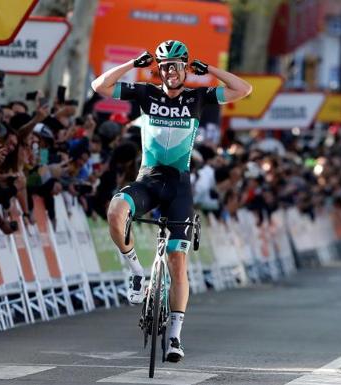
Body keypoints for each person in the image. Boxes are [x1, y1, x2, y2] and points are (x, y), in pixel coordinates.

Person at [91, 40, 252, 363]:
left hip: (179, 186)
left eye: (176, 65)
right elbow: (100, 86)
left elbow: (243, 89)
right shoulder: (145, 93)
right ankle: (137, 271)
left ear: (184, 67)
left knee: (178, 260)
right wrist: (131, 67)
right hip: (148, 179)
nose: (170, 71)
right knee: (115, 212)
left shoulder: (199, 96)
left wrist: (211, 72)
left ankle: (175, 337)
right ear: (159, 69)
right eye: (164, 66)